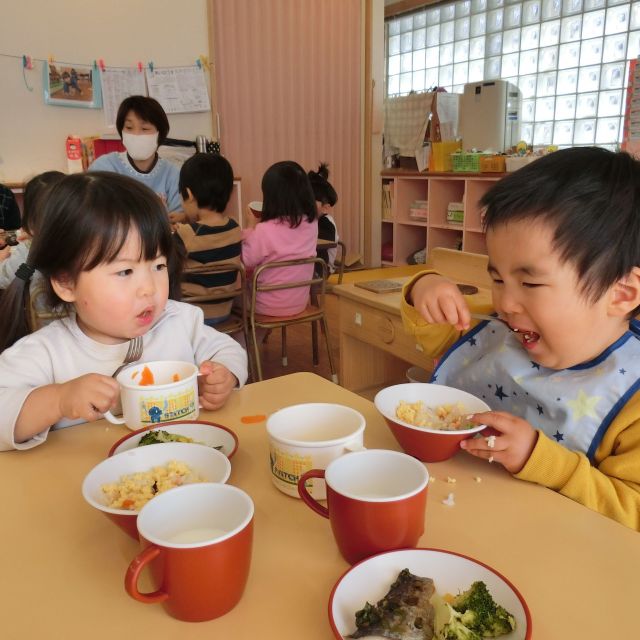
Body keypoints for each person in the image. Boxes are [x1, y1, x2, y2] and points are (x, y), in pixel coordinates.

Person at [402, 147, 640, 531]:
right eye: (497, 278)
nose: (505, 302)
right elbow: (436, 330)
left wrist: (546, 461)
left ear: (621, 294)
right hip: (454, 515)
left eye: (529, 282)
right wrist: (424, 287)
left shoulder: (632, 398)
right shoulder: (503, 331)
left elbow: (632, 512)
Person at [0, 172, 247, 452]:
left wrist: (225, 374)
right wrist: (57, 399)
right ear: (67, 284)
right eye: (125, 271)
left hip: (182, 467)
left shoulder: (178, 322)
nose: (148, 289)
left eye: (158, 266)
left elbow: (228, 348)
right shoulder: (48, 352)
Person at [242, 161, 318, 316]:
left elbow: (246, 260)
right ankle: (258, 337)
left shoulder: (264, 230)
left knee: (235, 296)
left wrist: (250, 226)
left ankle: (243, 340)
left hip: (266, 305)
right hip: (299, 303)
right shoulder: (312, 223)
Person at [173, 153, 241, 326]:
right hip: (224, 310)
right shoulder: (235, 228)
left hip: (191, 315)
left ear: (188, 194)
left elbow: (163, 261)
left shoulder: (186, 234)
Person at [89, 95, 181, 213]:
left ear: (160, 133)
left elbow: (178, 220)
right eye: (129, 127)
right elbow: (93, 214)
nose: (136, 134)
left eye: (145, 128)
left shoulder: (172, 174)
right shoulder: (104, 167)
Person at [0, 171, 65, 290]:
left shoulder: (30, 255)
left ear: (30, 221)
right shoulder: (86, 245)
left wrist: (1, 260)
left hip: (43, 308)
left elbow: (7, 279)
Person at [308, 163, 339, 273]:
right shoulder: (304, 220)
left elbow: (320, 247)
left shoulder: (326, 222)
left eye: (310, 201)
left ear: (325, 208)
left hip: (321, 269)